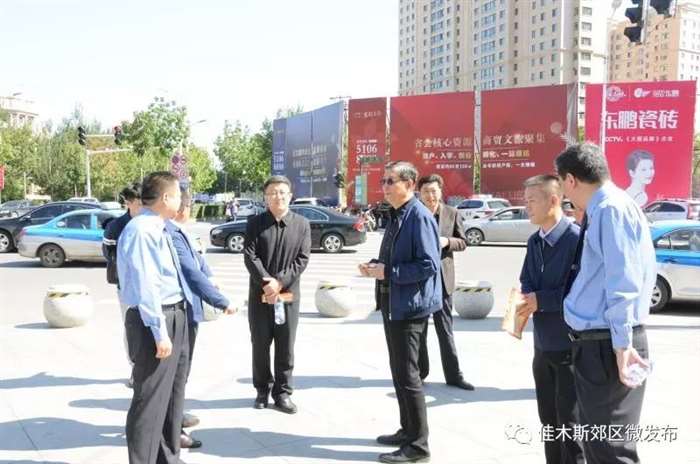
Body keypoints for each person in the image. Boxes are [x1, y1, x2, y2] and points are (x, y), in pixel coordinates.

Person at [556, 143, 655, 464]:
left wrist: (622, 346)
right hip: (601, 344)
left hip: (607, 347)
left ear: (570, 180)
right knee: (600, 446)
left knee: (610, 450)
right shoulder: (608, 206)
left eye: (562, 185)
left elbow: (623, 280)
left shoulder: (610, 209)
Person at [359, 161, 442, 464]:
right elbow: (395, 258)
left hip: (410, 308)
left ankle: (418, 446)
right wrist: (375, 266)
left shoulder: (418, 216)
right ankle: (407, 431)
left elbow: (429, 264)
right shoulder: (398, 215)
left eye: (390, 181)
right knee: (399, 373)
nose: (384, 186)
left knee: (409, 377)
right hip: (394, 304)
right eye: (383, 181)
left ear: (409, 184)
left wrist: (388, 272)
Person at [118, 171, 192, 464]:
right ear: (166, 197)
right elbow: (146, 284)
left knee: (169, 395)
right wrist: (159, 332)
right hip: (155, 319)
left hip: (174, 314)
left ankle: (167, 458)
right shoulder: (142, 230)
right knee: (149, 401)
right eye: (178, 195)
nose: (181, 201)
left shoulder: (159, 227)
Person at [517, 175, 584, 464]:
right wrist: (525, 299)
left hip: (571, 348)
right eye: (526, 200)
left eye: (532, 200)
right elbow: (526, 279)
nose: (527, 206)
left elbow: (580, 292)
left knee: (571, 426)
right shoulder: (534, 241)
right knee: (549, 423)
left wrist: (541, 300)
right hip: (542, 347)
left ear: (554, 200)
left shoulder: (576, 240)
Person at [166, 188, 237, 449]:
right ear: (182, 208)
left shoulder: (180, 231)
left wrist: (212, 277)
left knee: (181, 373)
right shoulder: (169, 232)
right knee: (175, 375)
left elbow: (198, 262)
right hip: (175, 312)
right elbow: (190, 271)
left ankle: (175, 417)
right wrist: (221, 301)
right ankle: (172, 431)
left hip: (188, 311)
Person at [243, 175, 310, 414]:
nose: (277, 196)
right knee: (260, 344)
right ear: (265, 197)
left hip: (288, 296)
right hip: (260, 296)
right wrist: (266, 282)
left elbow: (302, 259)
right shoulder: (255, 223)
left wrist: (279, 282)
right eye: (272, 192)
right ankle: (262, 389)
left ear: (290, 195)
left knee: (286, 345)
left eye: (282, 192)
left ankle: (282, 393)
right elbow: (250, 256)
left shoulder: (302, 224)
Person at [416, 174, 474, 391]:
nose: (430, 196)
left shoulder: (452, 213)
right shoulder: (415, 213)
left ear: (440, 191)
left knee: (445, 330)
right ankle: (420, 374)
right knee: (419, 331)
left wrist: (447, 241)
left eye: (433, 191)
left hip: (443, 281)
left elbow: (463, 242)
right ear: (419, 194)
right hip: (419, 282)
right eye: (425, 192)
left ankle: (454, 376)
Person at [102, 182, 142, 387]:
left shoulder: (153, 222)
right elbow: (107, 253)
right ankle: (135, 368)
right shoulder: (116, 226)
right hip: (127, 287)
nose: (143, 206)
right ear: (129, 202)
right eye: (139, 202)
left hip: (152, 285)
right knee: (131, 326)